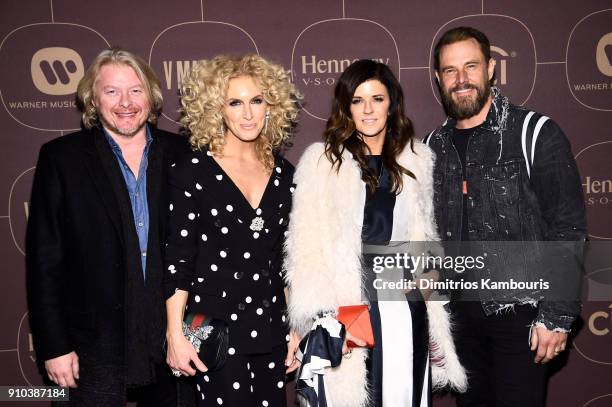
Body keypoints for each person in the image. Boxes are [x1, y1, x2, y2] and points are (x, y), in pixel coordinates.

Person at [284, 59, 466, 407]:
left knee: (402, 395)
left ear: (392, 103)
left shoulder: (417, 159)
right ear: (345, 107)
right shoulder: (322, 162)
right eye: (357, 100)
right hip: (347, 311)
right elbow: (305, 251)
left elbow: (424, 241)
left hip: (404, 308)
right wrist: (332, 317)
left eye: (377, 99)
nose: (368, 110)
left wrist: (429, 289)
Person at [424, 26, 587, 407]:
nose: (461, 79)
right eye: (450, 71)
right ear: (438, 78)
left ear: (491, 69)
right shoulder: (432, 147)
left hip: (523, 318)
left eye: (471, 66)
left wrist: (558, 316)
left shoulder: (533, 133)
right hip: (459, 322)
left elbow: (568, 229)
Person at [26, 48, 189, 405]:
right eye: (112, 91)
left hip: (173, 340)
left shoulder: (184, 154)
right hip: (92, 344)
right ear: (92, 100)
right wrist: (54, 346)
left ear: (152, 96)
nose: (125, 102)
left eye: (135, 90)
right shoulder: (61, 159)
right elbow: (45, 262)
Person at [163, 54, 301, 407]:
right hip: (211, 331)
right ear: (216, 109)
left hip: (271, 326)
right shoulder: (191, 172)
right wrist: (175, 333)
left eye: (257, 100)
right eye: (235, 103)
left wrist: (295, 328)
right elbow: (178, 263)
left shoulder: (286, 175)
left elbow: (286, 263)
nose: (248, 113)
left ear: (272, 105)